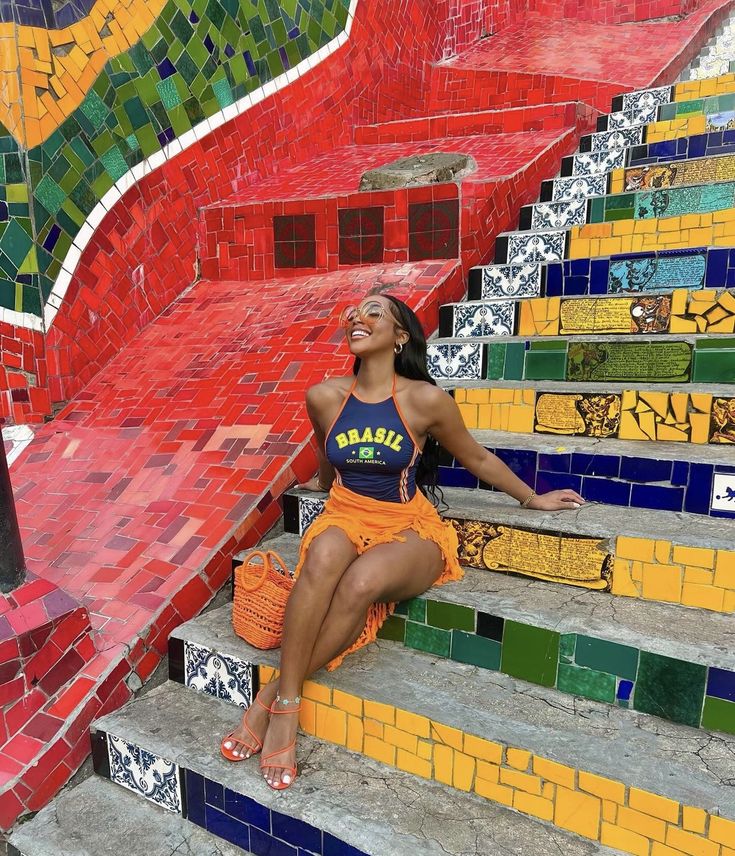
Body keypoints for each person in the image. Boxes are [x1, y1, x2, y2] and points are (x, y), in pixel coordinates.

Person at [220, 294, 585, 789]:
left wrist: (530, 498)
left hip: (408, 524)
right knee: (324, 553)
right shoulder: (325, 396)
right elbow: (328, 452)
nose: (357, 317)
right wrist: (320, 484)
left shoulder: (425, 400)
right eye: (354, 313)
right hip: (346, 513)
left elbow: (475, 459)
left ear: (400, 337)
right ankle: (285, 702)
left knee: (361, 581)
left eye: (374, 312)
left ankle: (274, 699)